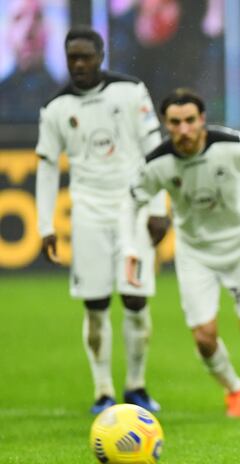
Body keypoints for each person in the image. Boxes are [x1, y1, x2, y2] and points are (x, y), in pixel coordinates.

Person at [123, 88, 240, 418]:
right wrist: (130, 247)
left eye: (189, 121)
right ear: (165, 124)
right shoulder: (158, 163)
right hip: (195, 254)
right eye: (175, 122)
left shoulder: (231, 144)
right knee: (204, 338)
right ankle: (234, 388)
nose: (183, 129)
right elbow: (130, 200)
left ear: (201, 120)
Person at [35, 26, 168, 414]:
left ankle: (137, 385)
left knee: (135, 298)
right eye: (72, 57)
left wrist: (158, 208)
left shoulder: (130, 92)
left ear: (100, 56)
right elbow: (46, 168)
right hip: (88, 212)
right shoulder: (56, 108)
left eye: (85, 57)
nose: (78, 64)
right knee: (94, 305)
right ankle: (103, 390)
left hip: (133, 208)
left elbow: (154, 149)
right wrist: (45, 226)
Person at [0, 0, 59, 123]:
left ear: (48, 31)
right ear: (7, 34)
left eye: (37, 17)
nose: (28, 29)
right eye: (18, 18)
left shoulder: (66, 95)